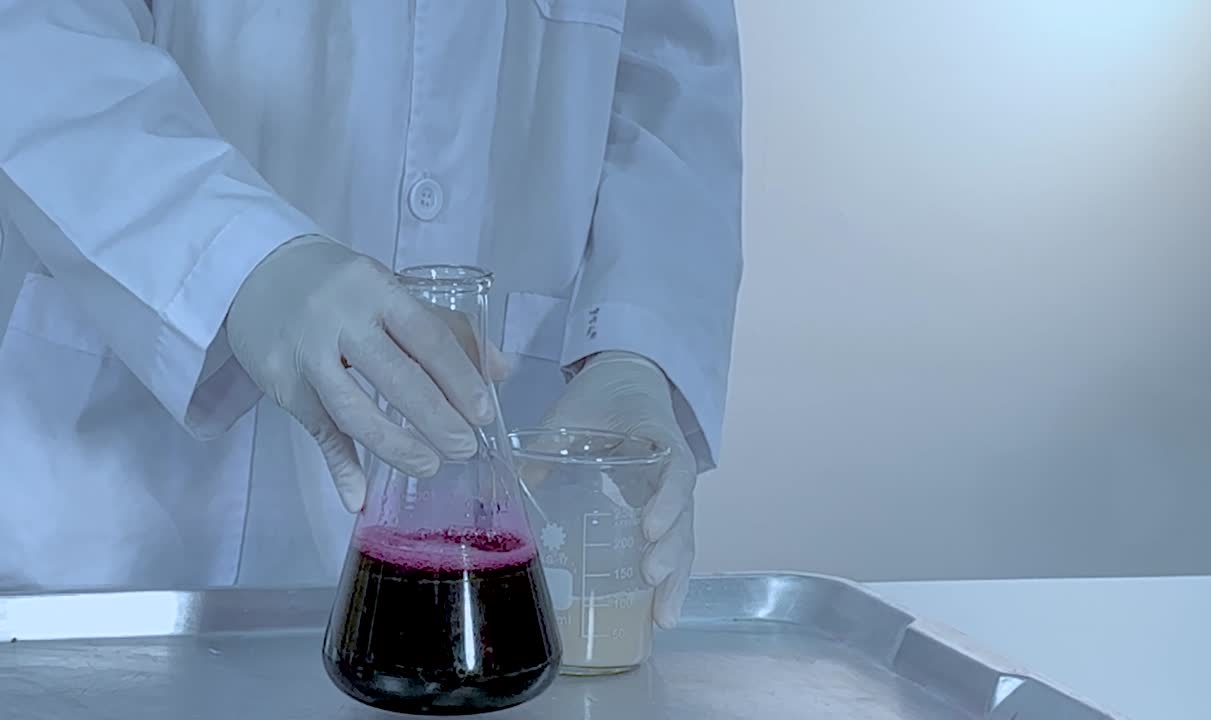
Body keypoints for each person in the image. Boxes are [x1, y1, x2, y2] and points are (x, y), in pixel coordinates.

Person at [0, 1, 741, 630]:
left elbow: (671, 86)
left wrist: (636, 351)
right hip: (130, 508)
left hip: (502, 506)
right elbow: (37, 37)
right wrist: (240, 263)